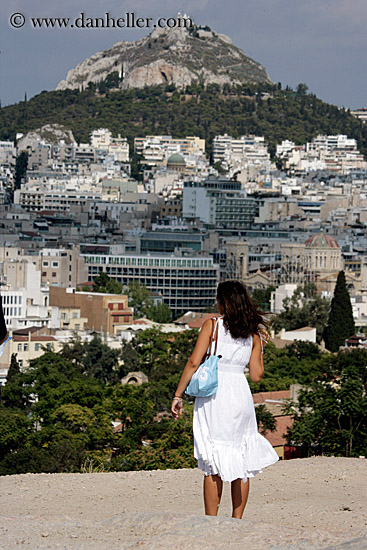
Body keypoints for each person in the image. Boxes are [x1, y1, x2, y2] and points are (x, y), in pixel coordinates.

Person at [171, 280, 279, 519]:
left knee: (213, 462)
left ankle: (211, 521)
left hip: (215, 396)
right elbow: (257, 376)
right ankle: (237, 521)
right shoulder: (253, 334)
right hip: (240, 394)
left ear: (223, 302)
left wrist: (179, 394)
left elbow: (193, 362)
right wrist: (260, 345)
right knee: (241, 459)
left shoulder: (213, 325)